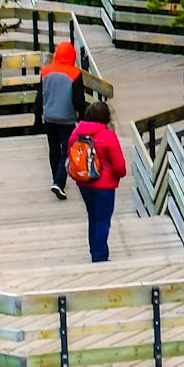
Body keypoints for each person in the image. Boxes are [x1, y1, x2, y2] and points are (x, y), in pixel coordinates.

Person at [67, 108, 129, 262]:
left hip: (83, 182)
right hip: (104, 185)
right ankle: (100, 255)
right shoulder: (108, 135)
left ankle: (94, 250)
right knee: (102, 220)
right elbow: (119, 165)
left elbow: (71, 156)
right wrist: (120, 174)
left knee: (92, 216)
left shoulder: (76, 134)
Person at [37, 35, 84, 199]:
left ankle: (56, 178)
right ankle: (59, 182)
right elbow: (79, 100)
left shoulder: (45, 71)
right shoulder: (75, 73)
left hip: (49, 117)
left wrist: (37, 116)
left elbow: (40, 95)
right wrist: (83, 118)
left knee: (54, 148)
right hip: (67, 119)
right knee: (68, 150)